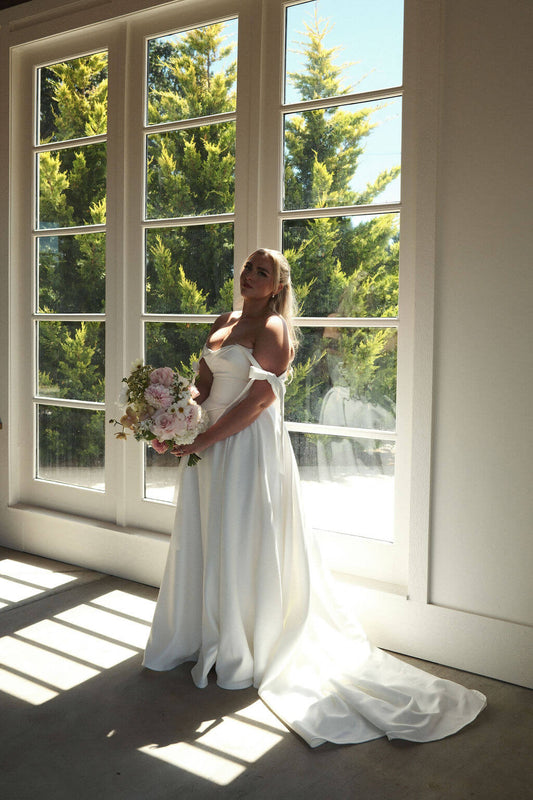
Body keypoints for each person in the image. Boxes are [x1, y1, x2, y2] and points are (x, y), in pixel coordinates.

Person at [143, 248, 486, 747]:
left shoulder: (275, 330)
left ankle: (246, 644)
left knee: (242, 535)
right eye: (248, 267)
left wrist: (202, 440)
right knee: (206, 532)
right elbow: (204, 385)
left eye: (263, 271)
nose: (250, 275)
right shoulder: (224, 320)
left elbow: (260, 401)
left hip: (243, 446)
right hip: (208, 440)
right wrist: (170, 415)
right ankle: (205, 633)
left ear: (277, 286)